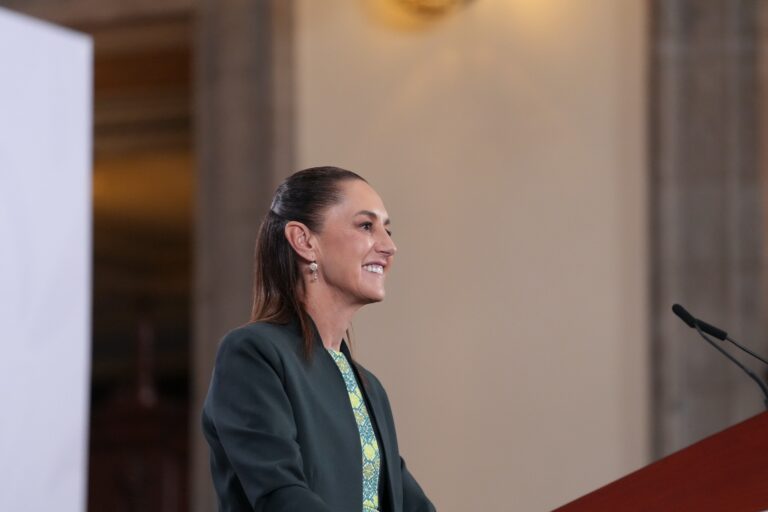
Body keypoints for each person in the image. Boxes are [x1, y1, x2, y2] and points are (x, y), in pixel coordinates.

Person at [201, 167, 436, 512]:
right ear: (304, 241)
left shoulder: (370, 388)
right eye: (366, 226)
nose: (389, 246)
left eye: (387, 230)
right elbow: (281, 496)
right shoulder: (252, 355)